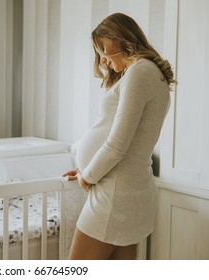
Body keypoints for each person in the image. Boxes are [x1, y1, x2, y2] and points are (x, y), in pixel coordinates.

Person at [62, 12, 176, 260]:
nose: (102, 61)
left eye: (103, 49)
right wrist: (85, 169)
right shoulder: (149, 73)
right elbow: (127, 141)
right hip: (125, 191)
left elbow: (117, 144)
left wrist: (87, 178)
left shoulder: (140, 72)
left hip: (113, 197)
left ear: (121, 39)